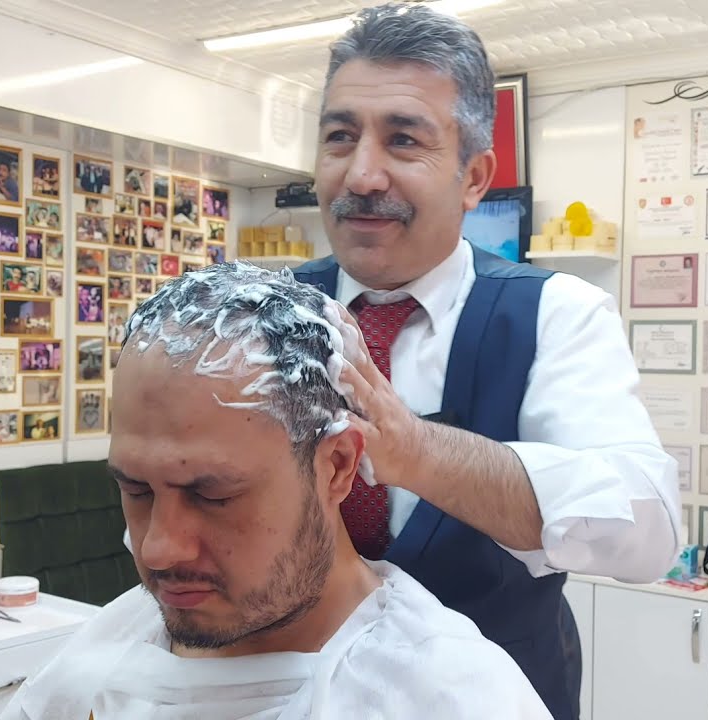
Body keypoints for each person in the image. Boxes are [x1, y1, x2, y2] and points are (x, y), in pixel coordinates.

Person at [285, 6, 681, 718]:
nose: (363, 173)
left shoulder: (555, 313)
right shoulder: (268, 312)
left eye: (403, 140)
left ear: (474, 178)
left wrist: (420, 453)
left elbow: (646, 528)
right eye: (340, 137)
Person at [1, 264, 550, 719]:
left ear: (337, 467)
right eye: (137, 490)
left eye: (212, 496)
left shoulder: (453, 696)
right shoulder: (106, 653)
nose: (156, 549)